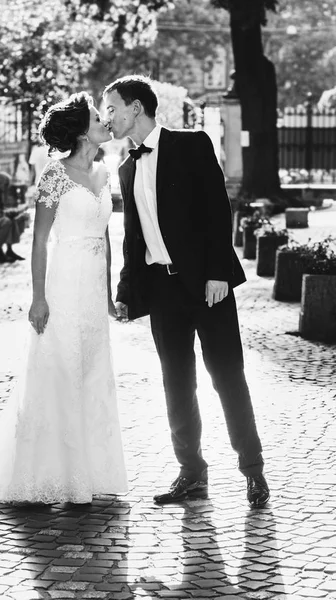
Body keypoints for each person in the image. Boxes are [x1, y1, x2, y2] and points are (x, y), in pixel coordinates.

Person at [103, 75, 269, 507]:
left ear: (135, 107)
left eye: (112, 108)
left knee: (227, 376)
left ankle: (253, 470)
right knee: (177, 383)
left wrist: (217, 272)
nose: (107, 119)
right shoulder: (126, 167)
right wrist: (126, 291)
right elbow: (133, 239)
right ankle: (191, 473)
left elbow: (218, 209)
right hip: (162, 291)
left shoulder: (193, 144)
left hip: (207, 286)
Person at [0, 92, 128, 505]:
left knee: (91, 372)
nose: (105, 121)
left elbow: (105, 240)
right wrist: (38, 298)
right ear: (80, 131)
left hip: (92, 291)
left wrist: (108, 298)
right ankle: (54, 474)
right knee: (58, 371)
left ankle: (89, 473)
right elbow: (39, 243)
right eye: (96, 116)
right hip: (64, 283)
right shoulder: (54, 175)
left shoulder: (106, 174)